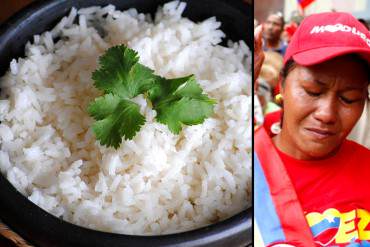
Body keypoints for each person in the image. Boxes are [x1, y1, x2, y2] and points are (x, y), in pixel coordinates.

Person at [254, 12, 370, 246]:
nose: (326, 114)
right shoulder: (247, 163)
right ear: (282, 85)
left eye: (349, 98)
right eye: (312, 91)